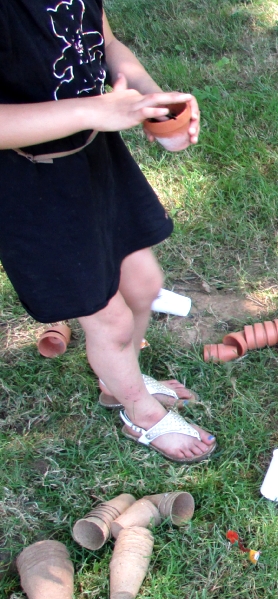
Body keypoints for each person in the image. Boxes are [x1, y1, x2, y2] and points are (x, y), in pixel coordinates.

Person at [0, 0, 215, 462]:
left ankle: (117, 377)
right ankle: (138, 409)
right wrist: (95, 110)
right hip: (29, 183)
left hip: (93, 160)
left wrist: (152, 101)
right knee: (110, 320)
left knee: (144, 284)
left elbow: (106, 41)